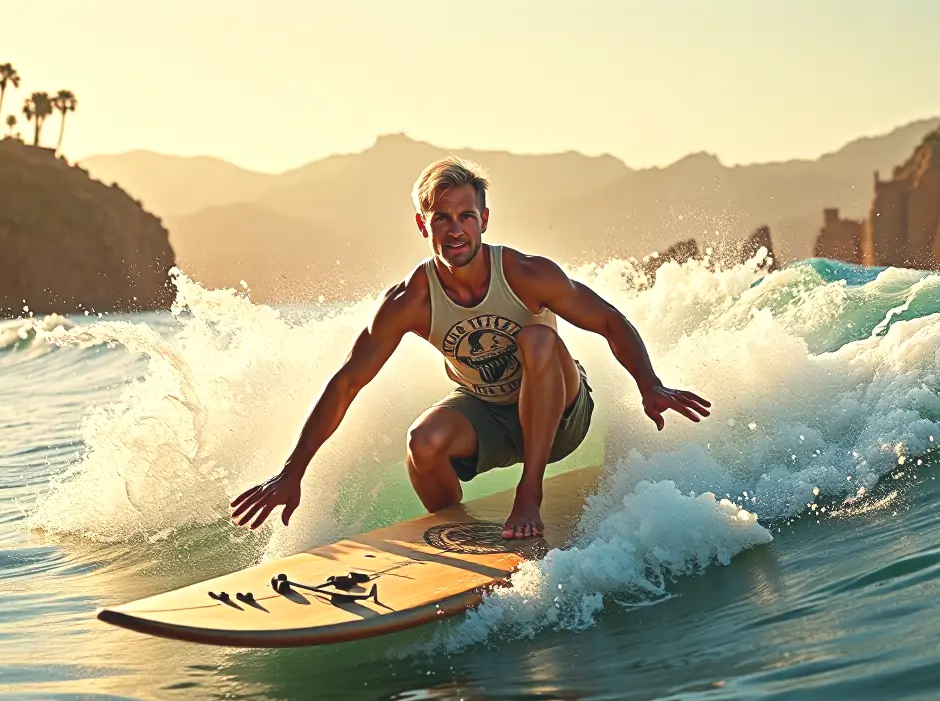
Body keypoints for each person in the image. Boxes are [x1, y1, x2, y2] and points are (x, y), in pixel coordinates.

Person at [231, 156, 711, 539]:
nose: (455, 229)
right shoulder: (409, 301)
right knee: (422, 442)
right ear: (423, 225)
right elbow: (346, 383)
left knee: (538, 338)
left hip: (560, 413)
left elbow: (609, 320)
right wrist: (292, 473)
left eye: (465, 216)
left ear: (484, 220)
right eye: (442, 218)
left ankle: (530, 493)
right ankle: (456, 529)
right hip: (488, 414)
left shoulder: (526, 274)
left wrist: (649, 384)